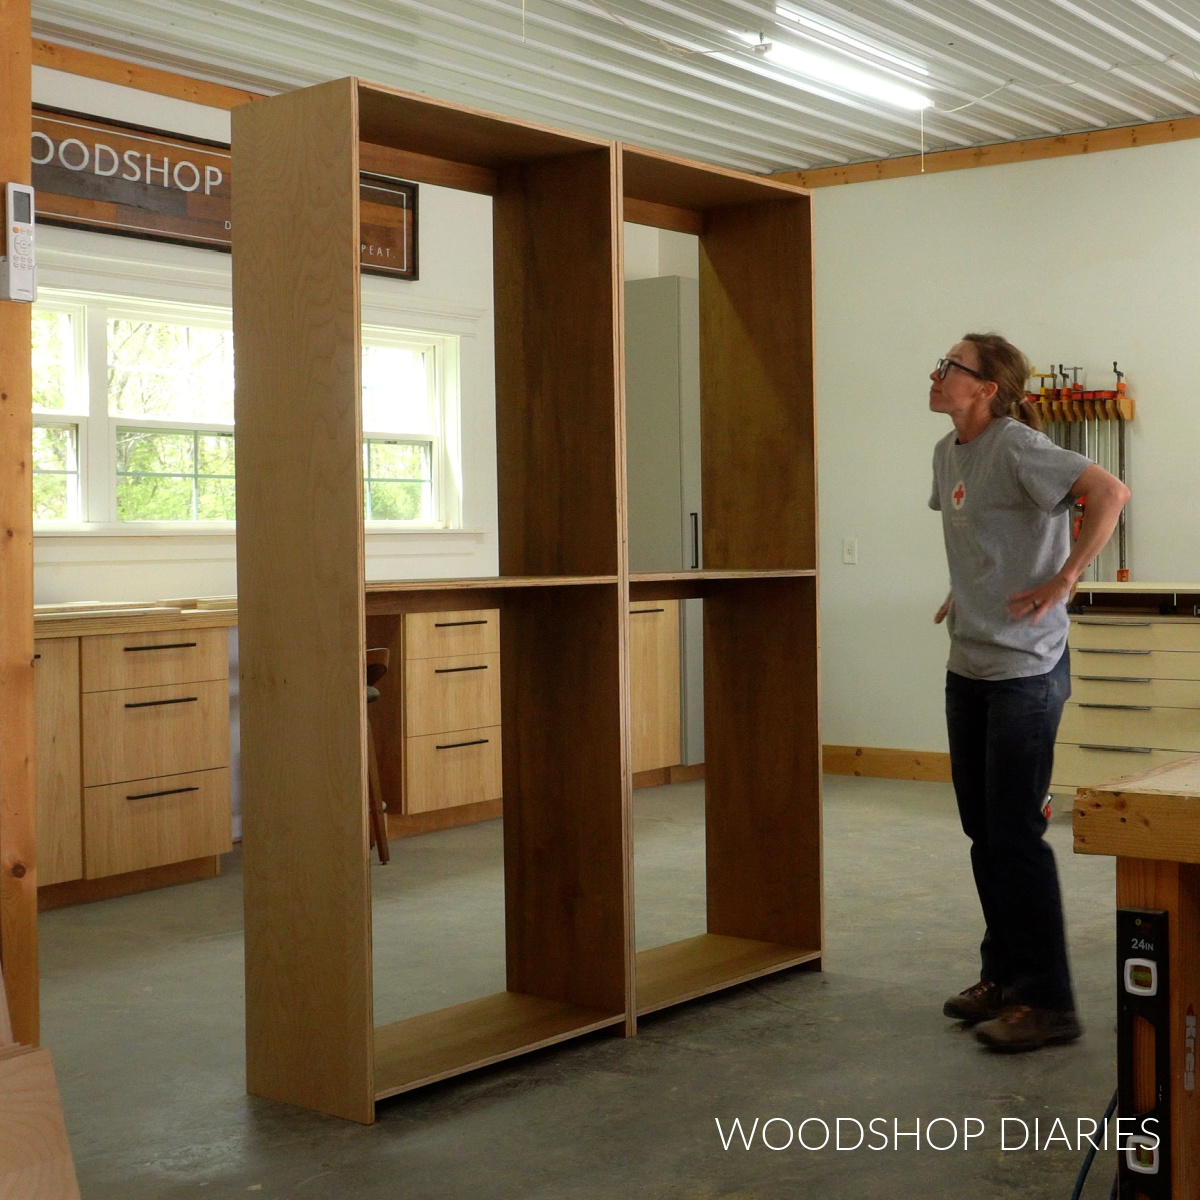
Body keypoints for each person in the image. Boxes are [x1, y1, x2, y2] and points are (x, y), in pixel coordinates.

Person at [928, 333, 1130, 1053]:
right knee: (986, 833)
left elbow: (1109, 492)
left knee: (1014, 834)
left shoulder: (1017, 446)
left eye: (951, 365)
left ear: (985, 387)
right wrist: (968, 590)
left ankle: (1049, 1002)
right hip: (971, 667)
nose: (937, 372)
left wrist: (1065, 579)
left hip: (1026, 672)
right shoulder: (948, 452)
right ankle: (1004, 976)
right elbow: (983, 537)